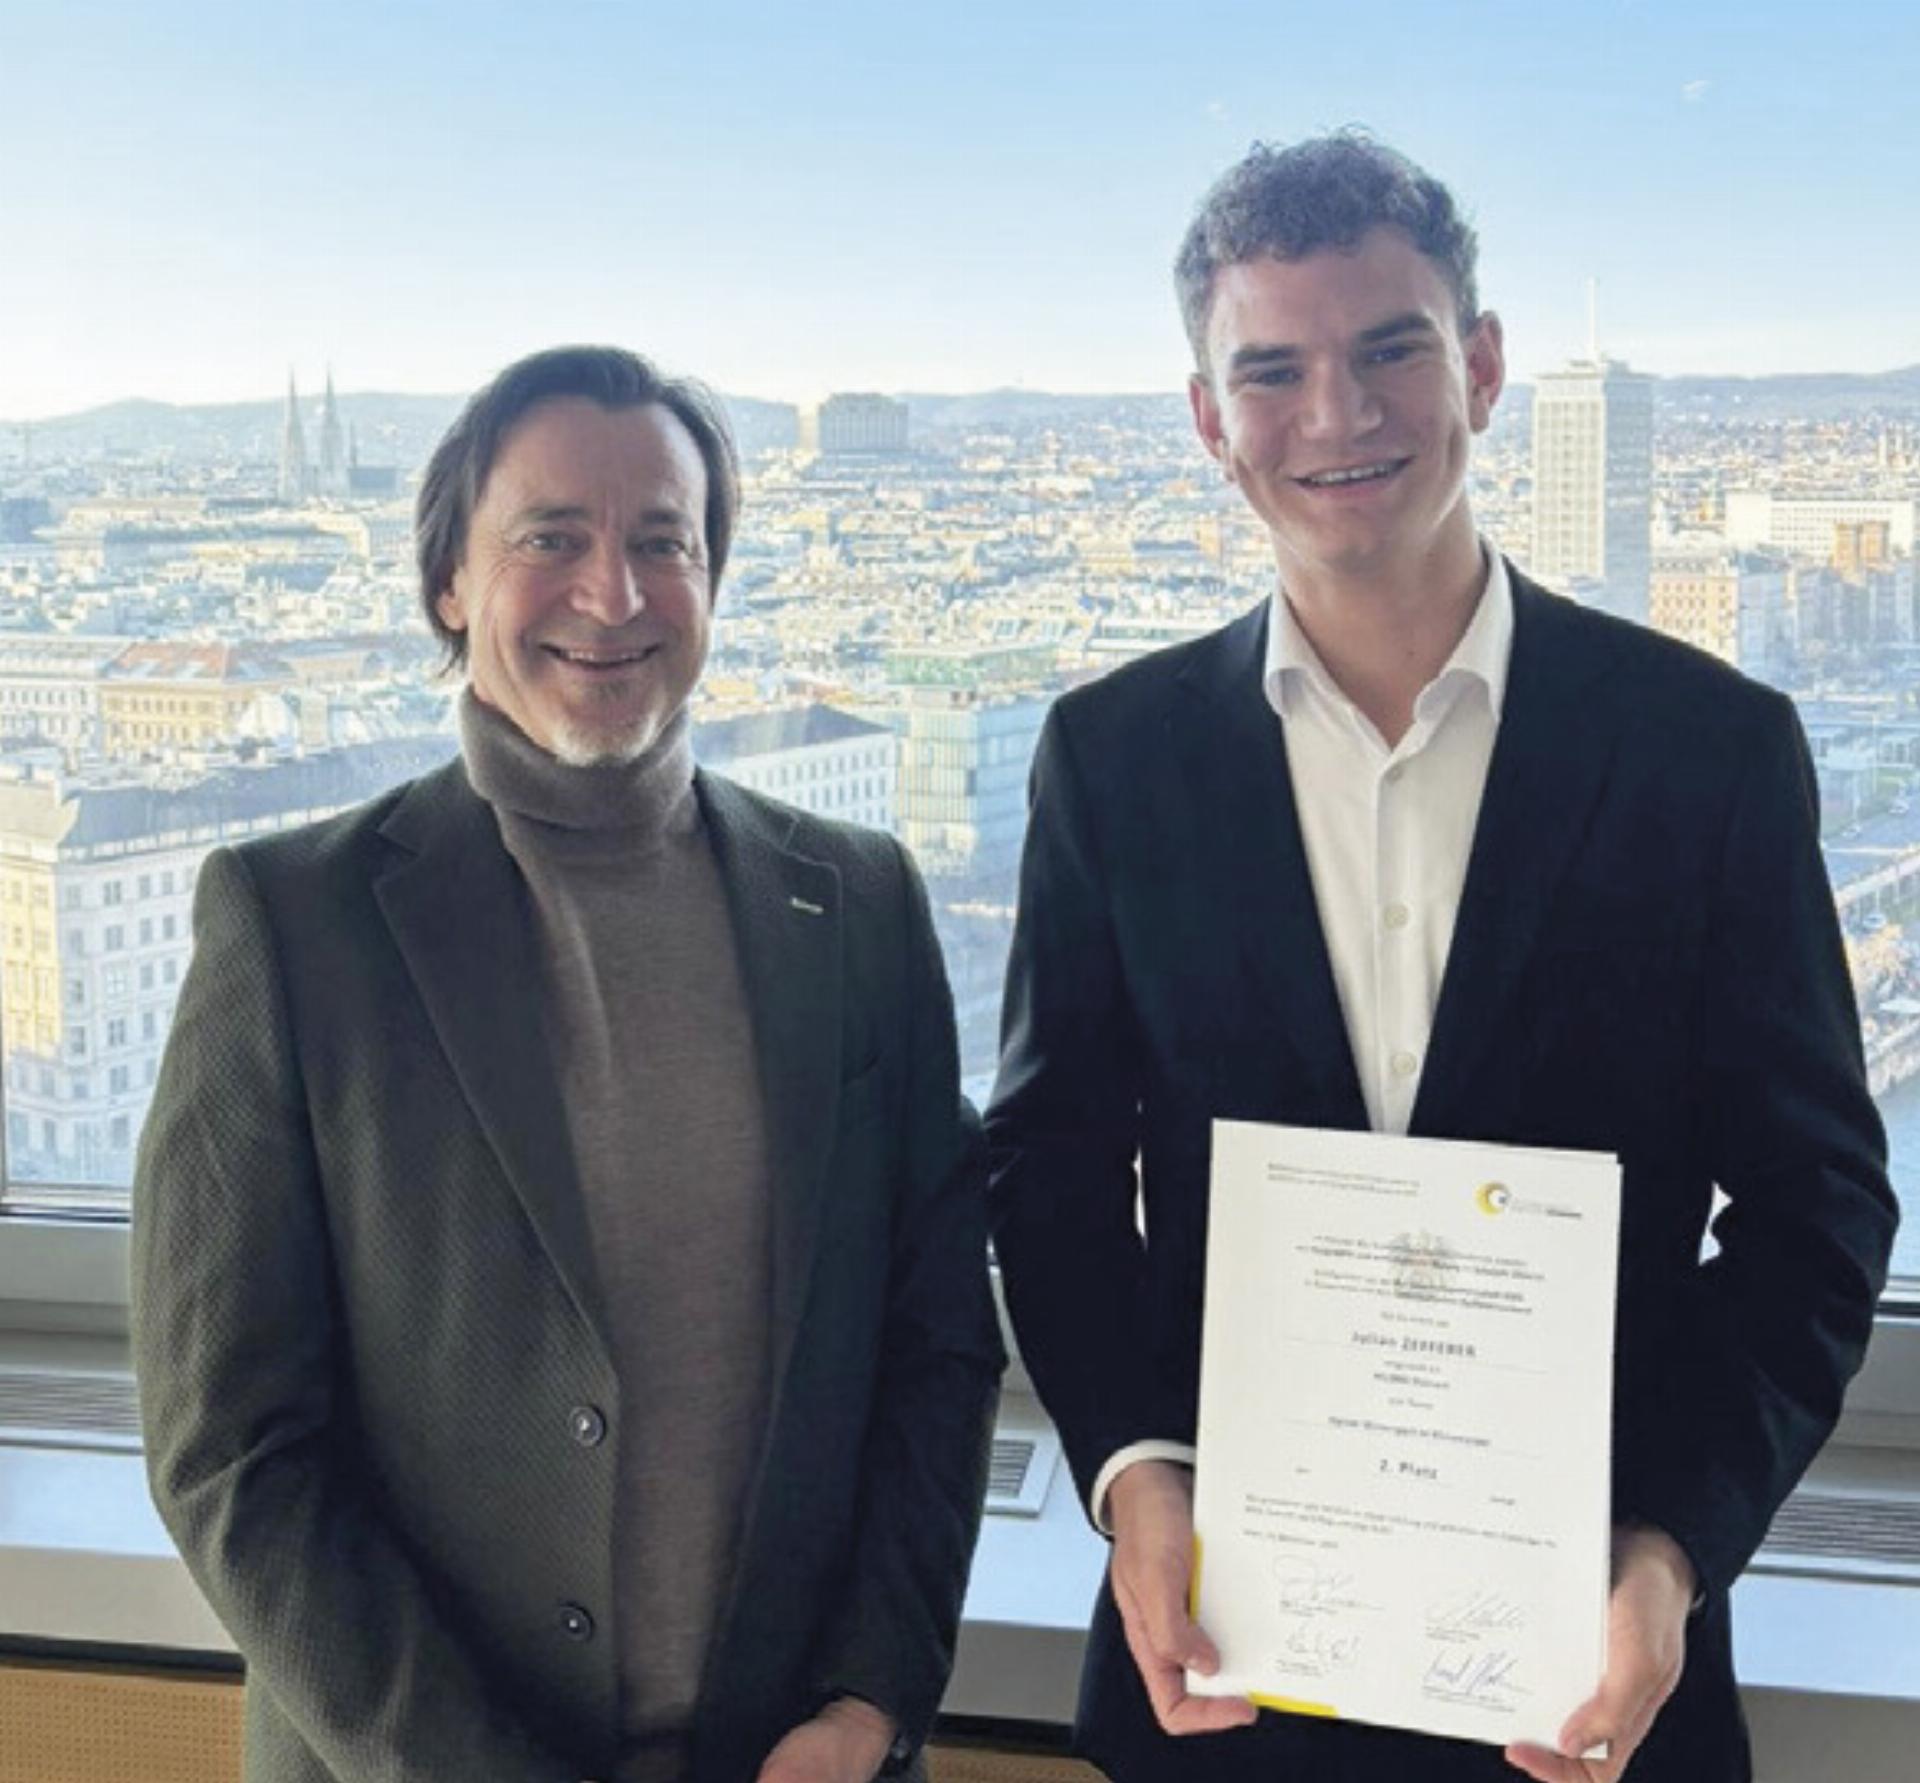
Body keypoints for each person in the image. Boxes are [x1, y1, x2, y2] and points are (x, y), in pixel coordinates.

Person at [985, 133, 1897, 1783]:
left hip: (1599, 1675)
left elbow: (1817, 1207)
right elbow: (1048, 1175)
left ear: (1480, 367)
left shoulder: (1708, 754)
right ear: (1207, 418)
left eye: (1389, 349)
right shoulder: (1111, 762)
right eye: (1272, 371)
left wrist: (1672, 1542)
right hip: (1224, 1676)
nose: (1337, 415)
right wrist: (1132, 1471)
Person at [132, 344, 1004, 1783]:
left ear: (714, 579)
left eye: (663, 541)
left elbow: (937, 1343)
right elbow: (232, 1448)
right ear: (449, 582)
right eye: (550, 539)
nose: (614, 594)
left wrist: (868, 1701)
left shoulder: (859, 905)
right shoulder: (294, 925)